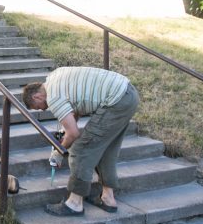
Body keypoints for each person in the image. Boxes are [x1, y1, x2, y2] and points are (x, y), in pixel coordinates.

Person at [22, 67, 139, 216]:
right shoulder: (55, 77)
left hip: (115, 100)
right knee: (104, 149)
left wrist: (59, 152)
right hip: (128, 93)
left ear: (37, 97)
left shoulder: (53, 98)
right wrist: (61, 140)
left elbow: (73, 133)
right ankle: (108, 198)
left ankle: (75, 203)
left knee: (80, 151)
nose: (43, 110)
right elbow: (74, 115)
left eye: (37, 107)